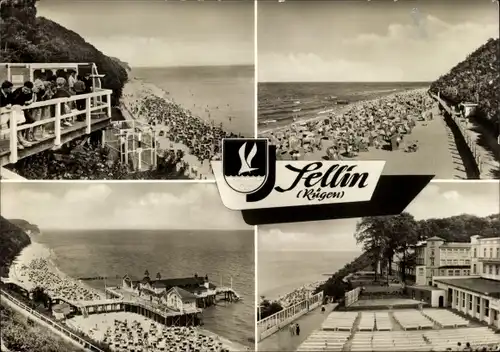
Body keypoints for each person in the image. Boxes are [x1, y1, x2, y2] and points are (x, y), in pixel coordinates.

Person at [12, 81, 35, 147]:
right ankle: (18, 140)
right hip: (16, 110)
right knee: (17, 124)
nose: (26, 91)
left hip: (22, 110)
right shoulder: (17, 91)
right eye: (25, 89)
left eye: (28, 90)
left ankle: (23, 138)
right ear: (23, 87)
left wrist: (29, 102)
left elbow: (30, 100)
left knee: (29, 121)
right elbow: (14, 101)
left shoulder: (30, 92)